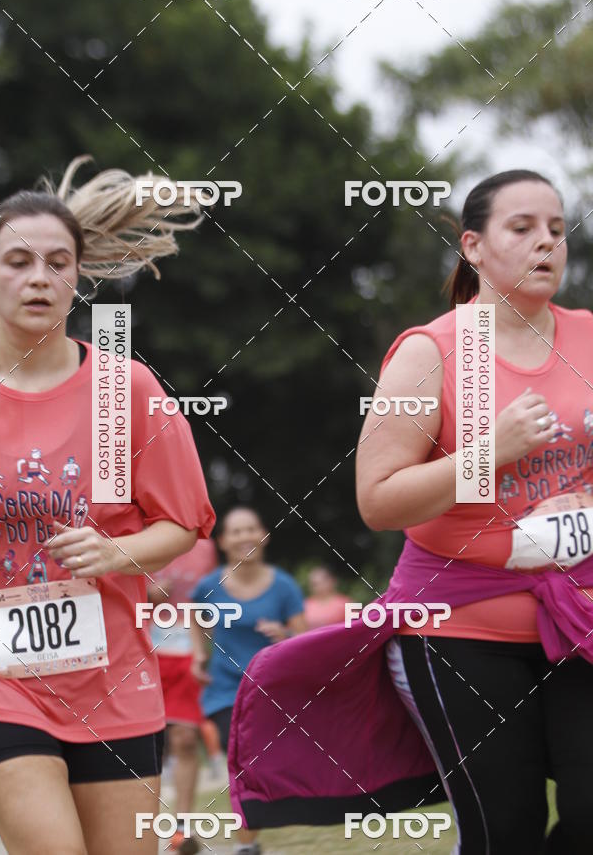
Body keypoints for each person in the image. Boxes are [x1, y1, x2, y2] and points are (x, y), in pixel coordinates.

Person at [227, 170, 593, 855]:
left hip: (580, 614)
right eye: (522, 228)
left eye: (556, 229)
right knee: (502, 833)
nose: (546, 242)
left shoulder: (590, 339)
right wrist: (491, 453)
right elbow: (378, 498)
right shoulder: (429, 354)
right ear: (474, 247)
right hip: (460, 631)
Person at [0, 156, 216, 855]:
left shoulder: (125, 390)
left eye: (58, 262)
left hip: (112, 680)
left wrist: (115, 552)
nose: (38, 277)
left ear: (77, 276)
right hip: (3, 681)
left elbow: (182, 523)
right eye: (18, 260)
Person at [190, 506, 306, 855]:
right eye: (236, 531)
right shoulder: (210, 586)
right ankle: (248, 845)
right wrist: (200, 655)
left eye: (251, 529)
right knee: (240, 760)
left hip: (272, 692)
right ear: (223, 541)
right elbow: (197, 619)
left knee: (265, 765)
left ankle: (257, 829)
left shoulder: (284, 586)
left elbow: (303, 641)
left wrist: (283, 633)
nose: (244, 537)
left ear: (264, 535)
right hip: (226, 691)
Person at [147, 537, 223, 853]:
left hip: (187, 653)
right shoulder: (133, 536)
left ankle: (182, 828)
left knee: (186, 739)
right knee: (150, 747)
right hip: (145, 652)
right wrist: (148, 596)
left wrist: (205, 647)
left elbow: (212, 601)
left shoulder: (204, 547)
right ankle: (142, 829)